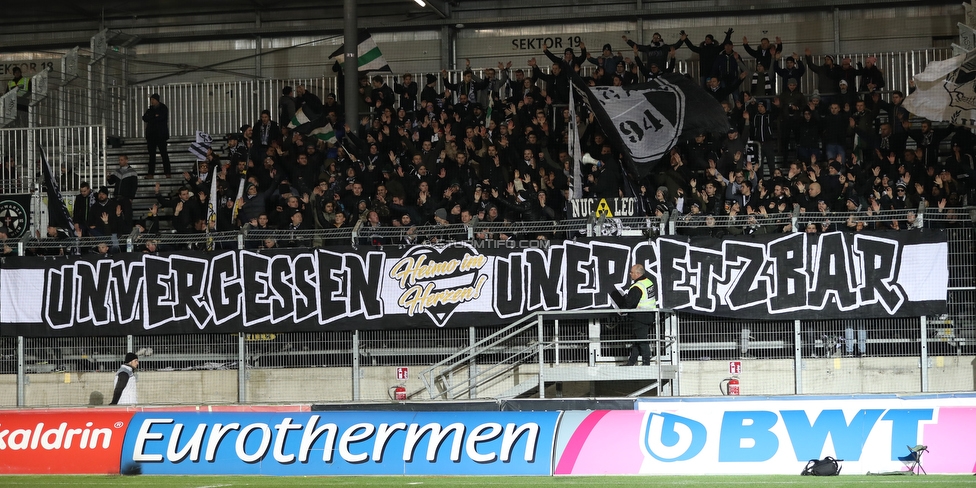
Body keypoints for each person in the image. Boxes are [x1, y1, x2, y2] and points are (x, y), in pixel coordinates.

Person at [623, 264, 657, 366]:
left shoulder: (637, 286)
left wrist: (624, 300)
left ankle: (646, 362)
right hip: (649, 315)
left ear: (638, 274)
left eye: (632, 272)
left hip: (640, 316)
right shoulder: (648, 282)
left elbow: (630, 304)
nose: (630, 274)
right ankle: (631, 362)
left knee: (641, 340)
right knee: (637, 340)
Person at [142, 93, 171, 178]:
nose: (152, 101)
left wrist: (151, 117)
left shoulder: (163, 108)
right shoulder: (150, 109)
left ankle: (167, 172)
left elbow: (160, 118)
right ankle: (150, 173)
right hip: (151, 136)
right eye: (151, 100)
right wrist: (154, 116)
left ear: (157, 100)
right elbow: (144, 118)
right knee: (151, 155)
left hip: (161, 135)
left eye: (153, 99)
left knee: (164, 154)